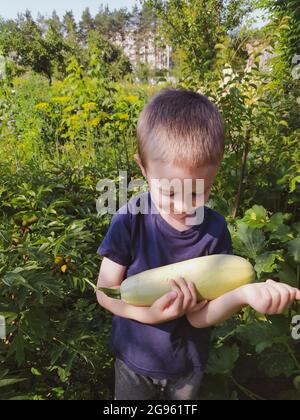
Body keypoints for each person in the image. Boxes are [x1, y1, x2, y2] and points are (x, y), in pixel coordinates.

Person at [96, 88, 300, 400]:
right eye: (168, 191)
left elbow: (199, 316)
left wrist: (243, 294)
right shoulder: (129, 221)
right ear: (142, 168)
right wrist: (147, 315)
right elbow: (105, 290)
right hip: (133, 364)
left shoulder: (215, 230)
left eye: (195, 193)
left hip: (187, 367)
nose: (181, 205)